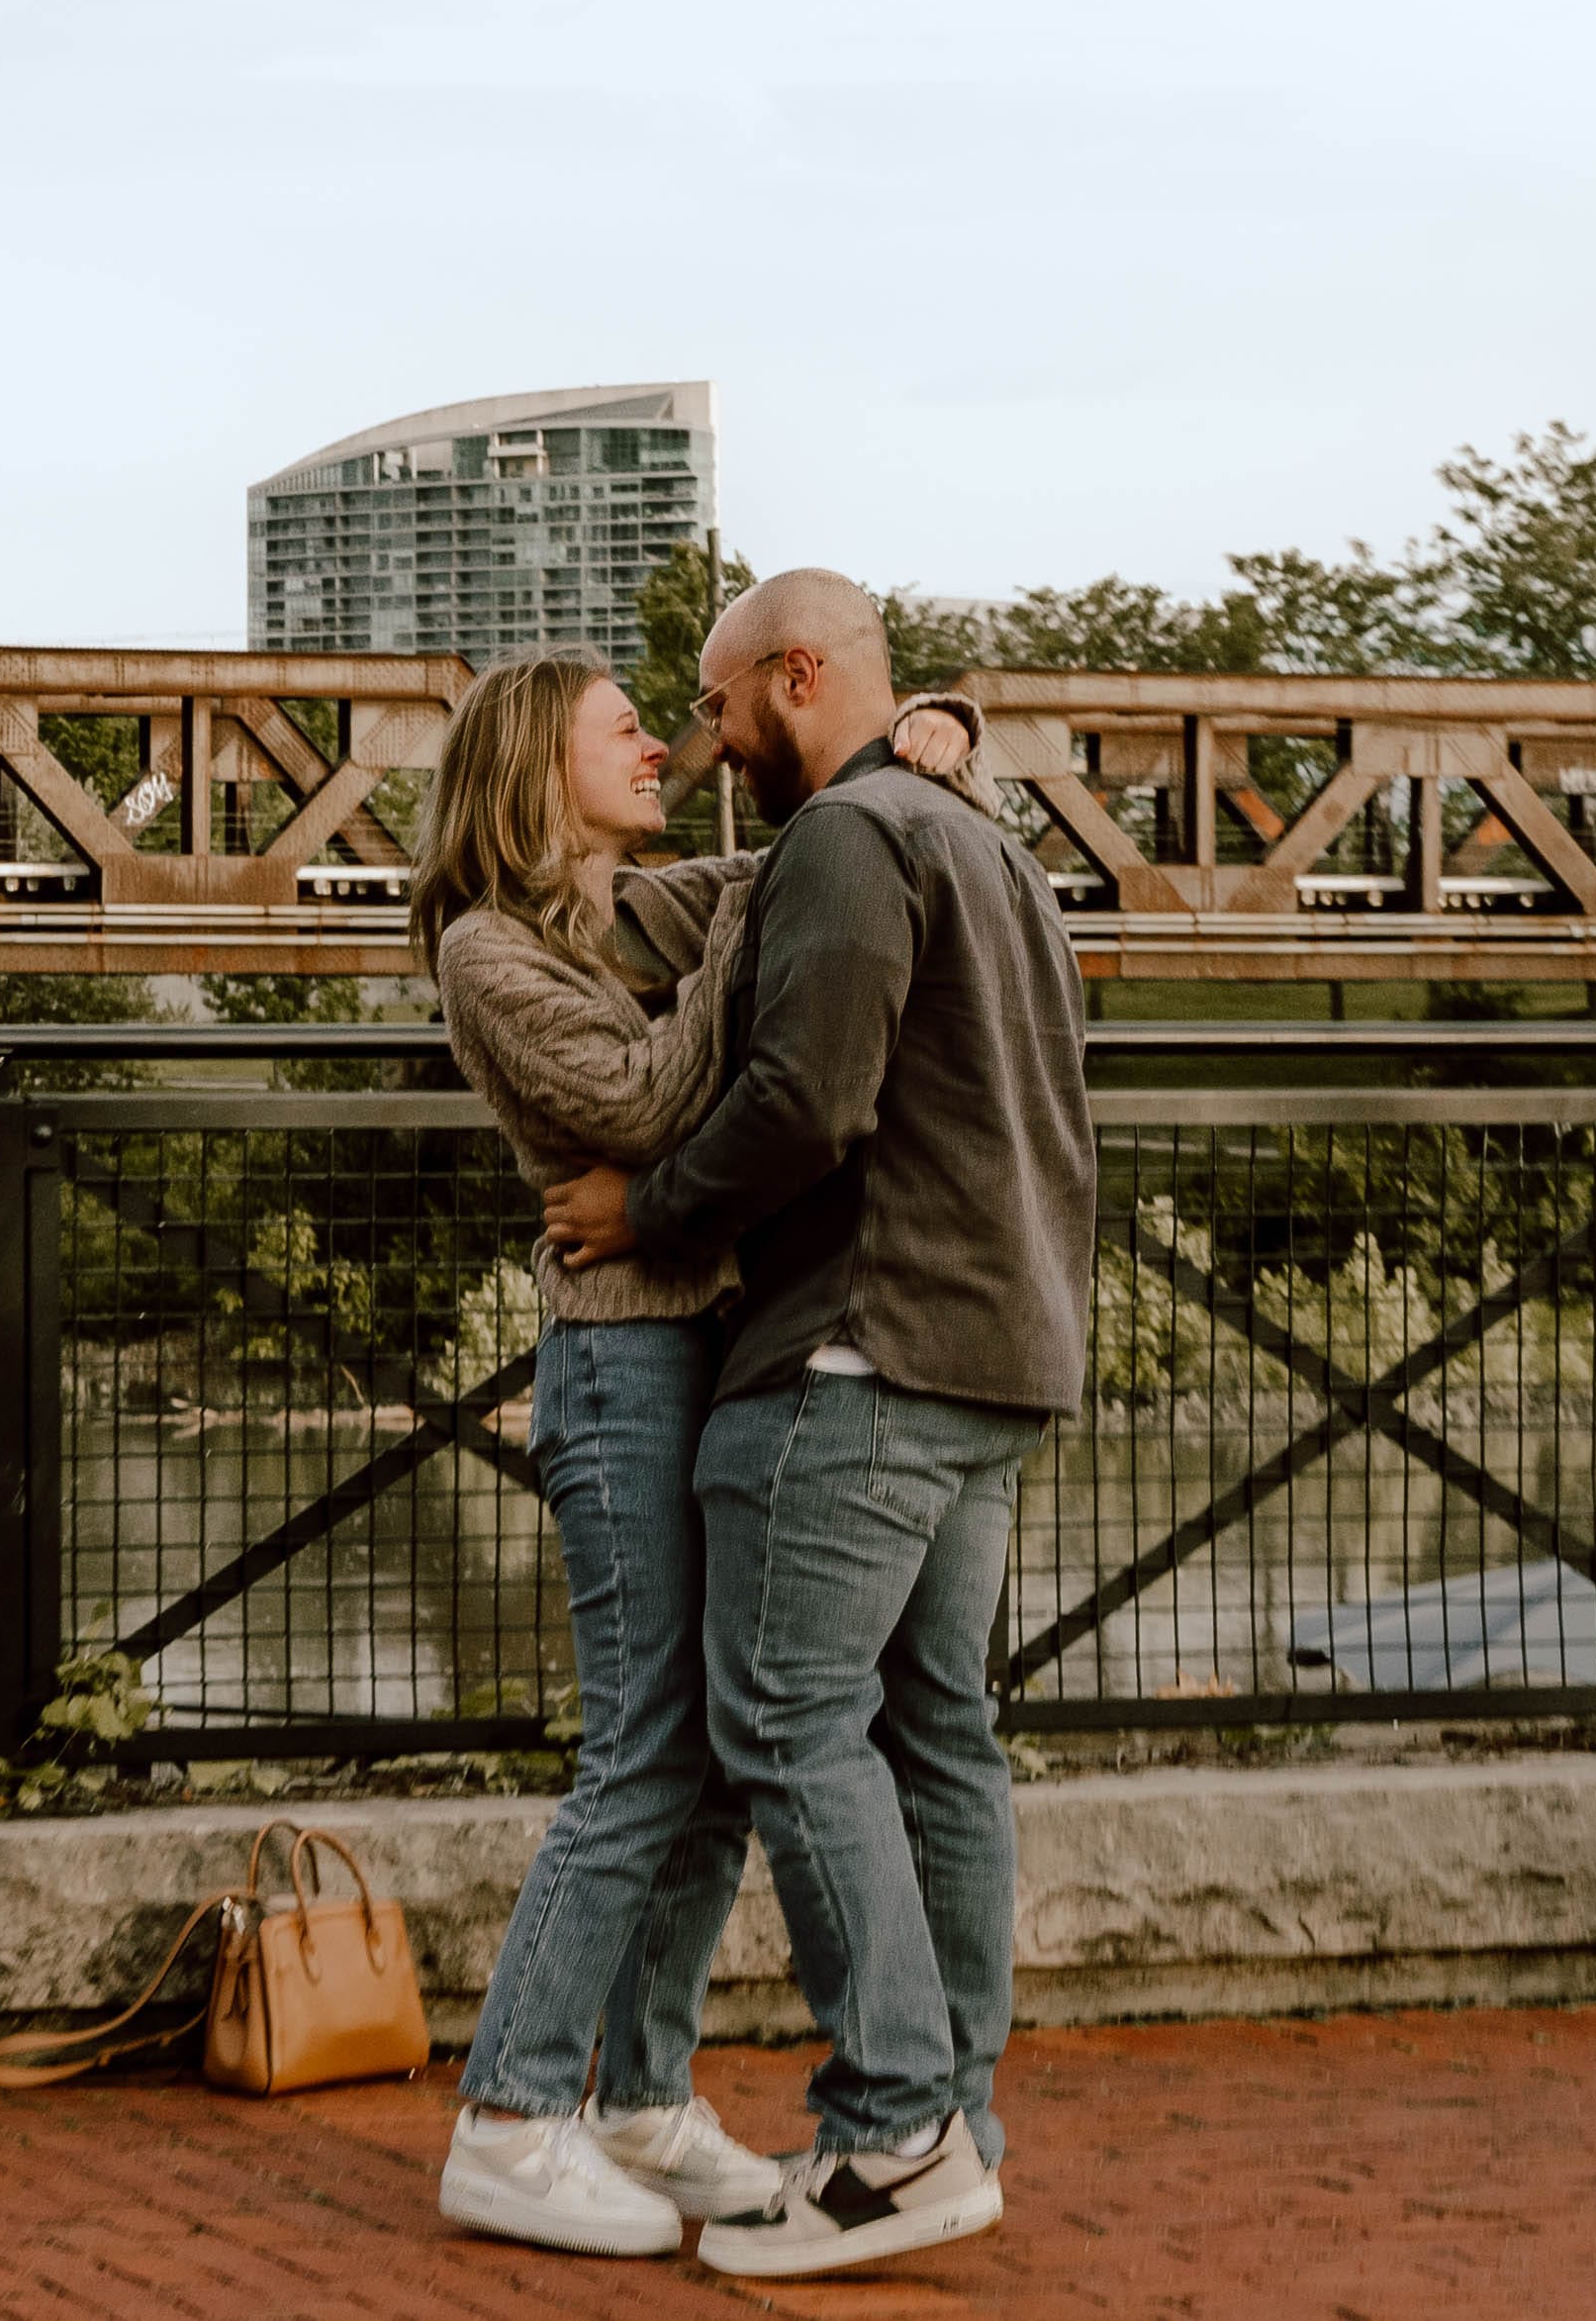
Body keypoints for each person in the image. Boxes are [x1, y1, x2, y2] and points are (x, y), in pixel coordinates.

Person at [544, 568, 1094, 2282]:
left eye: (717, 704)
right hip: (997, 1343)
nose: (707, 741)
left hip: (859, 1340)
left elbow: (810, 1097)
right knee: (937, 1731)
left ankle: (893, 2131)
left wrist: (652, 1212)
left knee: (784, 1716)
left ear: (797, 676)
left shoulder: (850, 839)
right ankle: (955, 2124)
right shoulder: (985, 842)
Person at [412, 649, 984, 2260]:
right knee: (642, 1752)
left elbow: (823, 845)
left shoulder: (622, 913)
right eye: (622, 728)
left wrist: (936, 731)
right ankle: (510, 2114)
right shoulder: (488, 951)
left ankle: (642, 2097)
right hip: (617, 1370)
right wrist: (754, 916)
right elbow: (660, 1098)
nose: (661, 741)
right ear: (537, 764)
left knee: (723, 1749)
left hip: (700, 1351)